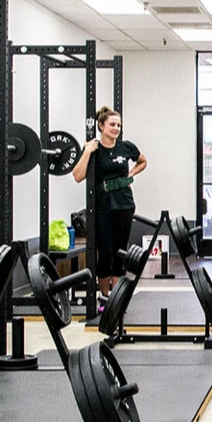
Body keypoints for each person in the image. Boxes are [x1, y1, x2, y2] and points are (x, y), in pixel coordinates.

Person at [73, 106, 146, 297]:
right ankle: (104, 297)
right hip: (103, 205)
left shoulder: (125, 147)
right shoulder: (93, 149)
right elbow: (77, 176)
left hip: (124, 203)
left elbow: (143, 161)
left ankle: (116, 296)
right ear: (101, 126)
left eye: (119, 125)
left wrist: (130, 175)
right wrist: (87, 151)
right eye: (112, 124)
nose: (116, 128)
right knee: (105, 251)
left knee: (120, 251)